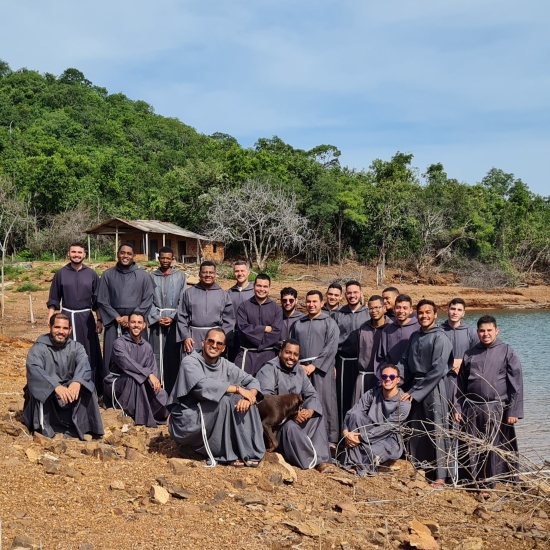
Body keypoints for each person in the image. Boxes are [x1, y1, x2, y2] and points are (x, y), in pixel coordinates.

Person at [168, 328, 265, 467]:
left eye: (219, 344)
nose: (214, 346)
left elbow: (252, 381)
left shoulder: (225, 365)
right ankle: (225, 453)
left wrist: (248, 396)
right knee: (225, 400)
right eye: (211, 341)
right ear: (203, 342)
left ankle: (250, 451)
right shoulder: (189, 362)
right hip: (187, 420)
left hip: (209, 416)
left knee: (244, 400)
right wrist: (238, 389)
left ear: (223, 348)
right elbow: (202, 385)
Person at [454, 315, 523, 493]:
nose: (486, 334)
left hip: (497, 408)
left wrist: (513, 411)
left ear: (496, 331)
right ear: (477, 332)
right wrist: (457, 406)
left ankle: (496, 481)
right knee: (473, 447)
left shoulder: (507, 351)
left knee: (495, 447)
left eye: (489, 330)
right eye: (482, 331)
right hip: (472, 409)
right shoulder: (470, 353)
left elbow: (516, 385)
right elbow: (460, 385)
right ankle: (474, 482)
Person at [398, 299, 453, 486]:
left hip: (434, 388)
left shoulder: (441, 337)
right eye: (420, 313)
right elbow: (405, 362)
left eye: (428, 312)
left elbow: (438, 369)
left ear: (435, 314)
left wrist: (416, 392)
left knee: (436, 429)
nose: (424, 316)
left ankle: (440, 476)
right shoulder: (414, 336)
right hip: (414, 384)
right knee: (415, 428)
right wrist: (395, 379)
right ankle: (417, 467)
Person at [22, 313, 104, 440]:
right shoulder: (38, 348)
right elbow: (34, 369)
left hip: (69, 391)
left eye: (65, 328)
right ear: (49, 327)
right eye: (57, 327)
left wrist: (77, 381)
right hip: (50, 389)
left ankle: (85, 427)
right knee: (41, 391)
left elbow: (84, 364)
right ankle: (46, 429)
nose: (61, 332)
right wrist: (55, 386)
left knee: (88, 387)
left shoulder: (76, 347)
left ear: (70, 330)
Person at [256, 339, 332, 472]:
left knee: (317, 417)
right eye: (288, 353)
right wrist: (292, 415)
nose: (292, 357)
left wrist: (309, 411)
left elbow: (311, 394)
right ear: (280, 353)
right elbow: (267, 402)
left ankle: (322, 460)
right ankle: (311, 461)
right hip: (276, 424)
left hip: (294, 415)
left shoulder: (299, 371)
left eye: (295, 354)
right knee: (291, 427)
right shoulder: (268, 369)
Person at [46, 242, 103, 392]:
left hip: (85, 319)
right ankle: (65, 384)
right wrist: (51, 318)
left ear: (84, 255)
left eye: (79, 252)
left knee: (88, 351)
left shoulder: (91, 274)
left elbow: (96, 301)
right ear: (68, 254)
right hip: (66, 317)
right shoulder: (60, 273)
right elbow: (54, 298)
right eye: (73, 252)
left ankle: (89, 387)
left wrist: (99, 319)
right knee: (65, 350)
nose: (76, 255)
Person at [339, 365, 410, 476]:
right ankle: (354, 464)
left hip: (389, 439)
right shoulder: (372, 393)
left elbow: (388, 427)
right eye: (384, 376)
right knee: (355, 415)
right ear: (380, 378)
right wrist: (346, 432)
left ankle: (355, 465)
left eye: (391, 377)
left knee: (370, 449)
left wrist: (360, 437)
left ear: (398, 380)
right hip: (369, 430)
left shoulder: (404, 402)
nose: (387, 379)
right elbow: (351, 413)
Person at [97, 243, 155, 377]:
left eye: (129, 254)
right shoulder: (107, 275)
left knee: (139, 354)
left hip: (136, 322)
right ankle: (111, 392)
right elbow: (102, 300)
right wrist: (117, 317)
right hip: (113, 321)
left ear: (134, 256)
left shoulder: (144, 276)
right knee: (111, 355)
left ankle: (139, 389)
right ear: (117, 254)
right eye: (122, 253)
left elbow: (148, 300)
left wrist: (131, 318)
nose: (125, 256)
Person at [290, 290, 339, 445]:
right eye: (308, 302)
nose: (311, 305)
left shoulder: (329, 322)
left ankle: (329, 441)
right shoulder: (298, 323)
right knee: (303, 402)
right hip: (301, 369)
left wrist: (314, 366)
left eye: (314, 302)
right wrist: (298, 365)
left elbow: (331, 347)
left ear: (321, 303)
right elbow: (292, 345)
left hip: (321, 371)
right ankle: (305, 438)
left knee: (325, 402)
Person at [104, 312, 169, 427]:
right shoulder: (119, 344)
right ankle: (138, 416)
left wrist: (153, 379)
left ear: (144, 325)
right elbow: (127, 364)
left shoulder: (147, 346)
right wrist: (148, 374)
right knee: (134, 379)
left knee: (162, 394)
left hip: (142, 382)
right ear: (128, 324)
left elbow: (152, 367)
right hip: (119, 383)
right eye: (133, 322)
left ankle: (144, 412)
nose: (136, 325)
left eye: (139, 322)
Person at [148, 247, 187, 395]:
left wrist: (172, 317)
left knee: (173, 353)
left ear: (172, 259)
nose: (165, 261)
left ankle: (172, 389)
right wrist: (156, 317)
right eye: (162, 258)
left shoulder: (180, 276)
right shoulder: (151, 276)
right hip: (157, 320)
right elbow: (147, 299)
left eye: (168, 258)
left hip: (174, 321)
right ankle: (157, 387)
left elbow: (183, 300)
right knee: (156, 354)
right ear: (159, 258)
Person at [333, 280, 370, 430]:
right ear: (345, 295)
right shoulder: (338, 315)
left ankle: (362, 432)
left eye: (355, 292)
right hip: (343, 362)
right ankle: (343, 432)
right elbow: (332, 341)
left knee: (362, 398)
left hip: (364, 364)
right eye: (349, 293)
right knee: (343, 398)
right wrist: (333, 364)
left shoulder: (368, 313)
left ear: (361, 293)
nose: (352, 295)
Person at [176, 261, 235, 355]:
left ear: (215, 274)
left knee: (213, 368)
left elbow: (229, 320)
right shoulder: (189, 293)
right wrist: (185, 336)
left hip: (215, 340)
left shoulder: (223, 295)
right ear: (199, 274)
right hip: (193, 338)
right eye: (204, 272)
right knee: (192, 367)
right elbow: (181, 317)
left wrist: (222, 339)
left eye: (211, 272)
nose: (208, 275)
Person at [235, 274, 283, 375]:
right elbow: (243, 329)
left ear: (269, 288)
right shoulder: (243, 307)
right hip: (247, 356)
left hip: (268, 357)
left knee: (267, 388)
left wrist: (255, 332)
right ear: (253, 286)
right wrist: (264, 328)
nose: (262, 289)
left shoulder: (277, 309)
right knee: (244, 387)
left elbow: (276, 333)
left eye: (265, 286)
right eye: (259, 286)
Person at [354, 295, 391, 403]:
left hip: (383, 379)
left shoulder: (391, 328)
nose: (373, 311)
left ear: (384, 308)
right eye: (370, 308)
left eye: (377, 307)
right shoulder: (363, 328)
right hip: (363, 377)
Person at [440, 298, 478, 401]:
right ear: (447, 310)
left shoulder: (471, 332)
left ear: (463, 313)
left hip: (462, 378)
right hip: (442, 378)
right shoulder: (438, 331)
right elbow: (431, 355)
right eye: (453, 309)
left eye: (459, 310)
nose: (455, 312)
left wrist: (463, 362)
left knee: (459, 412)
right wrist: (449, 364)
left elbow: (478, 355)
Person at [374, 294, 419, 376]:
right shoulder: (387, 330)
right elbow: (380, 357)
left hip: (413, 378)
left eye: (405, 308)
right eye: (398, 307)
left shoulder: (418, 328)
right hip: (391, 378)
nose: (401, 311)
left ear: (411, 310)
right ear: (394, 309)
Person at [227, 261, 254, 360]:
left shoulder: (255, 291)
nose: (240, 273)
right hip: (234, 335)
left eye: (242, 270)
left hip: (250, 335)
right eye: (237, 271)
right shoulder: (230, 292)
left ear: (248, 272)